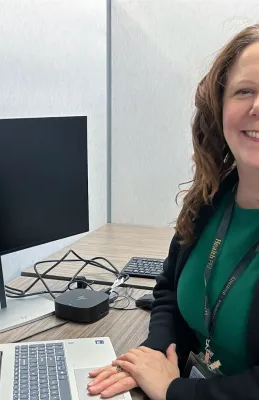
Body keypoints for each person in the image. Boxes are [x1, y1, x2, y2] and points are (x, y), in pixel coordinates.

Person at [88, 24, 259, 400]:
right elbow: (168, 291)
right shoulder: (212, 198)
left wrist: (172, 390)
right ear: (219, 107)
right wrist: (151, 354)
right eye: (245, 91)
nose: (257, 106)